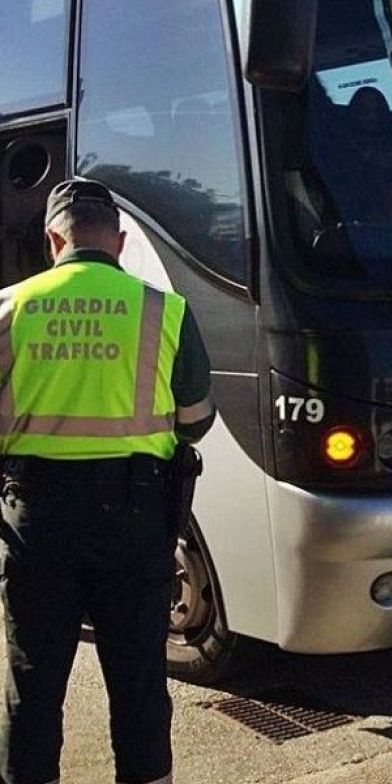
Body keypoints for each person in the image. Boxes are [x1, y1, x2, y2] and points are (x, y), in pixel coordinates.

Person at [0, 179, 216, 784]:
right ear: (118, 243)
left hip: (35, 522)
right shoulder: (163, 309)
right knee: (139, 681)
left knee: (34, 682)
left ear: (52, 241)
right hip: (135, 518)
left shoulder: (9, 307)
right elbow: (195, 423)